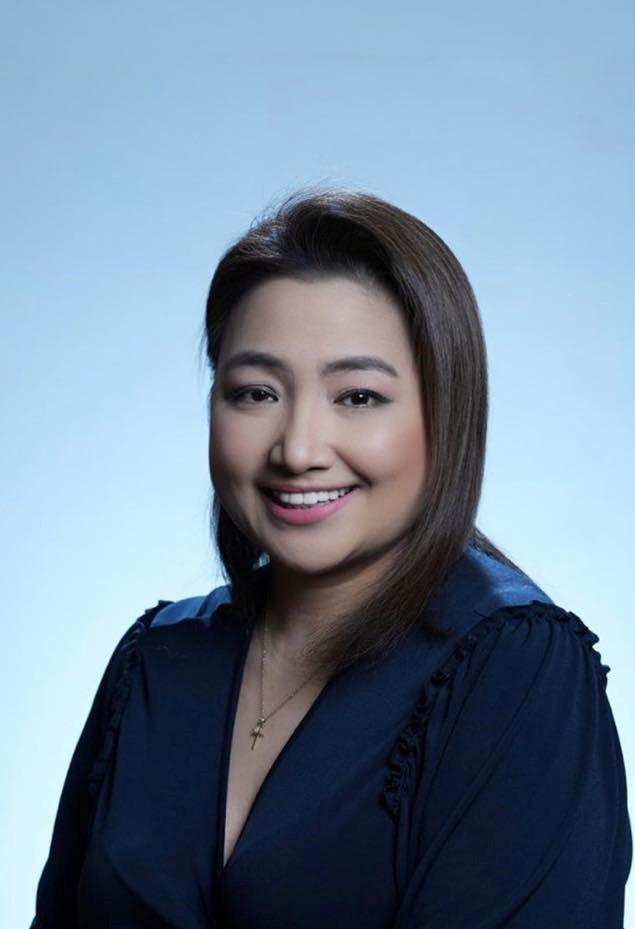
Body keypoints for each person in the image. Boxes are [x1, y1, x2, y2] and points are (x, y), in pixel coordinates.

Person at [31, 187, 632, 928]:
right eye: (256, 392)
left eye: (357, 397)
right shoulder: (155, 658)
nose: (298, 449)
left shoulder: (515, 669)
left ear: (446, 411)